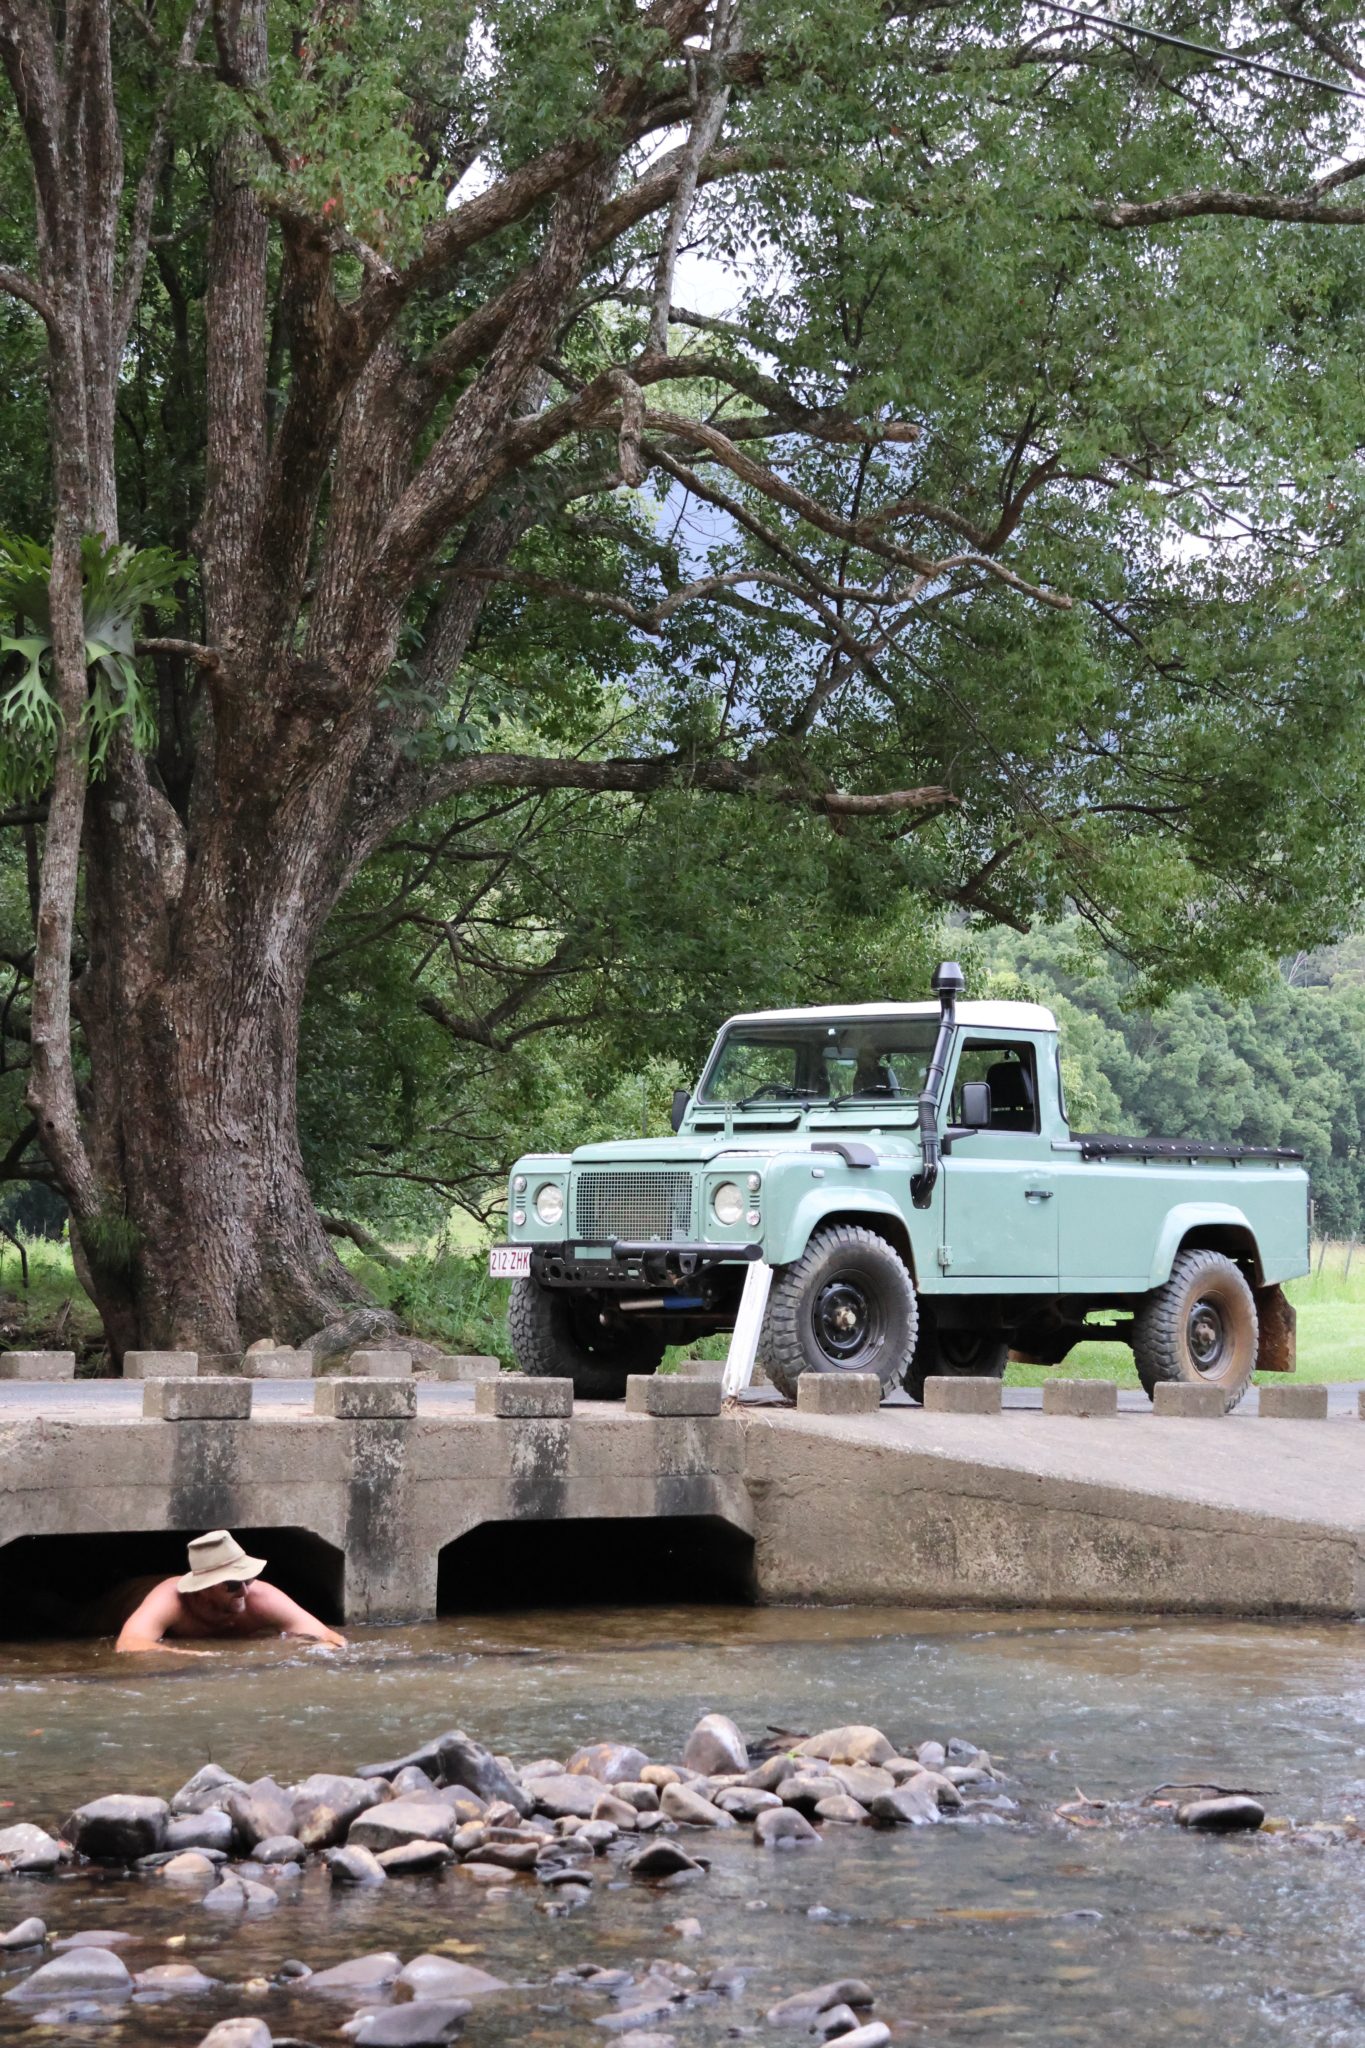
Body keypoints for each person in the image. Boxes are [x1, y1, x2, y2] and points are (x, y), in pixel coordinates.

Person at [115, 1529, 346, 1654]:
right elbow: (128, 1643)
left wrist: (306, 1651)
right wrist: (187, 1654)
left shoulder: (262, 1597)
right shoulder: (170, 1600)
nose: (244, 1591)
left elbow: (330, 1638)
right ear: (204, 1590)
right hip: (121, 1602)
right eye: (233, 1585)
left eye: (248, 1579)